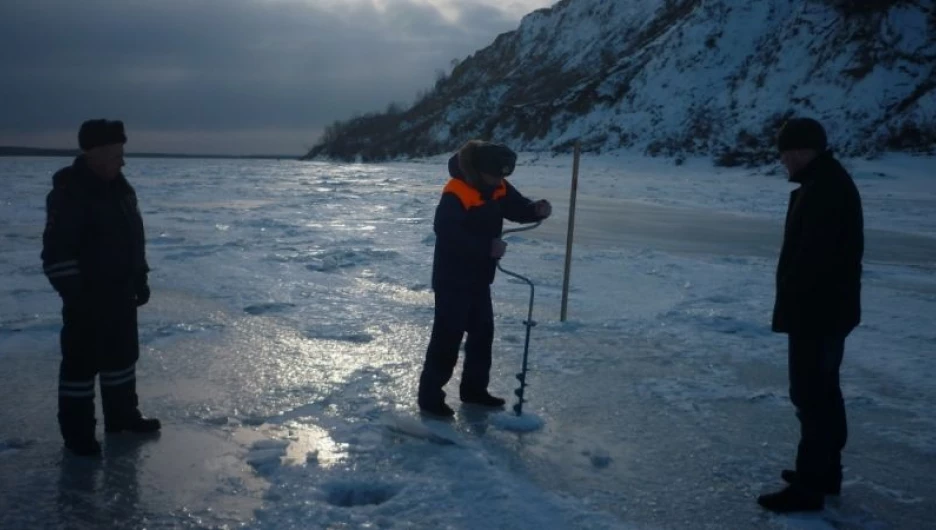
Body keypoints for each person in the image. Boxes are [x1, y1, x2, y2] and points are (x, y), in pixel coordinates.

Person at [758, 118, 864, 512]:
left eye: (785, 154)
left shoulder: (825, 190)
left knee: (812, 395)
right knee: (822, 394)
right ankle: (823, 472)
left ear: (802, 151)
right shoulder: (823, 183)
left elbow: (814, 261)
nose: (783, 161)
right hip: (824, 311)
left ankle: (811, 485)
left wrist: (796, 305)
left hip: (818, 313)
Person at [41, 119, 161, 457]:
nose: (122, 162)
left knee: (121, 359)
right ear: (94, 154)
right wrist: (76, 296)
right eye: (115, 154)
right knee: (80, 368)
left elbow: (133, 239)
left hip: (120, 294)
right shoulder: (70, 193)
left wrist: (139, 276)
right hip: (87, 300)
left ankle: (122, 417)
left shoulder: (122, 189)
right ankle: (78, 435)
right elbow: (56, 253)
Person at [417, 140, 552, 417]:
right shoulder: (457, 191)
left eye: (504, 176)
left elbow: (515, 207)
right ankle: (430, 398)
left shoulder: (497, 185)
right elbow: (446, 230)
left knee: (482, 335)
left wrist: (534, 209)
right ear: (478, 170)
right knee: (448, 337)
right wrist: (485, 247)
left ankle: (474, 391)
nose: (499, 181)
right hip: (452, 278)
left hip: (480, 277)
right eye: (495, 175)